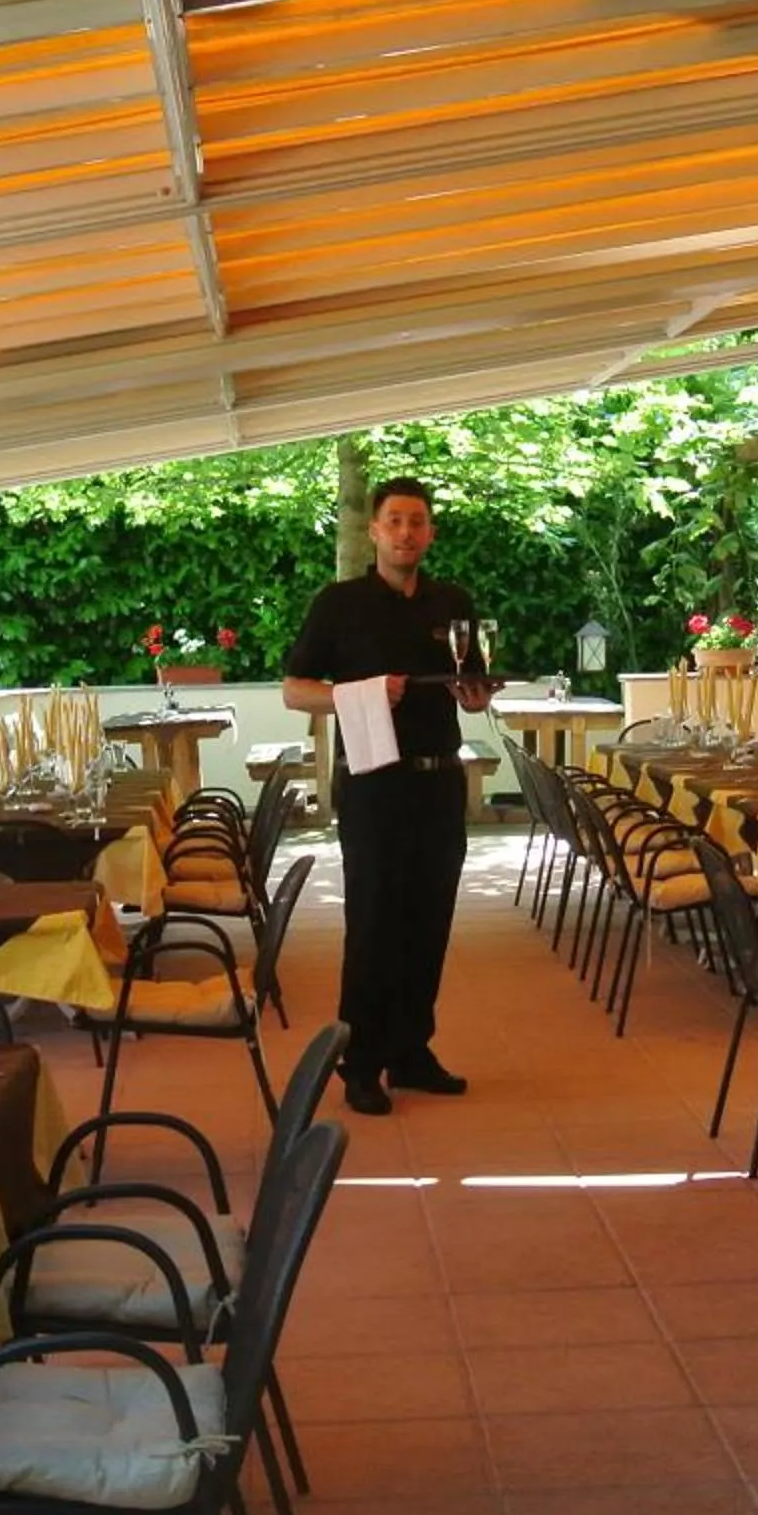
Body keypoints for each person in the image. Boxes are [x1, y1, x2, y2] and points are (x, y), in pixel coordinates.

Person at [281, 477, 493, 1115]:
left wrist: (476, 697)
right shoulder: (339, 604)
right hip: (374, 784)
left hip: (439, 779)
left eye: (418, 522)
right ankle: (361, 1061)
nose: (406, 533)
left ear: (430, 533)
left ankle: (412, 1051)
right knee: (374, 923)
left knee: (429, 921)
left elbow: (472, 683)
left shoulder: (452, 603)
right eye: (395, 522)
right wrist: (364, 692)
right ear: (374, 531)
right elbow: (295, 689)